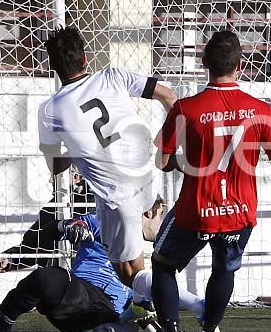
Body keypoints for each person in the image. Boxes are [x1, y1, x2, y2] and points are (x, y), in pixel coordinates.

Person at [152, 30, 271, 332]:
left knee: (162, 266)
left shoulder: (187, 109)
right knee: (224, 270)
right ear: (240, 66)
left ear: (205, 65)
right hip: (239, 211)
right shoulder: (260, 110)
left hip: (197, 210)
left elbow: (162, 161)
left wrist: (185, 160)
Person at [37, 26, 178, 309]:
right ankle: (151, 312)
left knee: (127, 272)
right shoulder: (113, 76)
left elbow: (54, 165)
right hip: (147, 179)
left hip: (117, 196)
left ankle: (192, 307)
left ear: (53, 67)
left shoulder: (51, 109)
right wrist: (168, 144)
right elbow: (170, 97)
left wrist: (77, 154)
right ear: (85, 58)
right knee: (142, 261)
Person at [0, 199, 203, 332]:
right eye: (162, 216)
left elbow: (137, 301)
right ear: (149, 212)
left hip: (102, 314)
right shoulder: (105, 223)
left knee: (128, 325)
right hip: (77, 293)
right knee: (46, 276)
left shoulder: (142, 256)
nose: (162, 225)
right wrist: (71, 225)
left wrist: (150, 318)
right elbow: (56, 229)